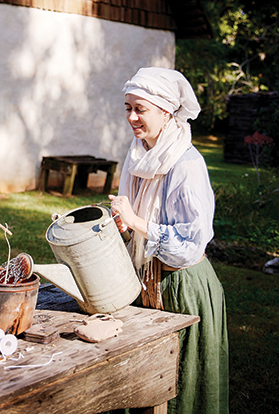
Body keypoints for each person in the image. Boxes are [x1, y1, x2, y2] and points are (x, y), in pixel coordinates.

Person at [109, 67, 229, 414]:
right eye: (127, 107)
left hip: (181, 288)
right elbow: (133, 223)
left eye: (140, 109)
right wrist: (125, 227)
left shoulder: (186, 164)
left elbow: (192, 242)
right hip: (142, 283)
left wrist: (138, 222)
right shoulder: (135, 156)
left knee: (181, 389)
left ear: (165, 112)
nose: (131, 117)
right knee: (139, 387)